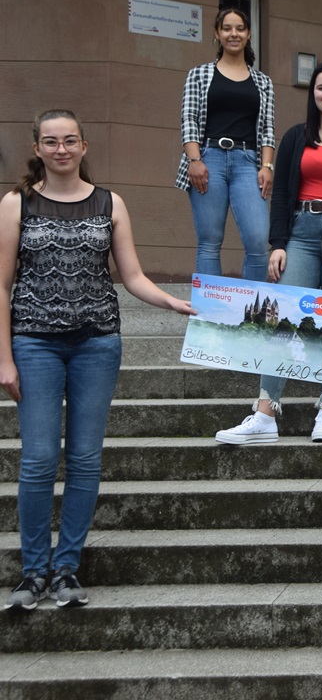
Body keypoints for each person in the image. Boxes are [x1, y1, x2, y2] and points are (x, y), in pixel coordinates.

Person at [1, 110, 194, 611]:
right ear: (38, 148)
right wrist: (4, 358)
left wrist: (172, 302)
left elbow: (131, 276)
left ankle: (66, 569)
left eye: (69, 141)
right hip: (34, 344)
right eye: (50, 141)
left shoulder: (110, 203)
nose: (60, 149)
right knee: (40, 460)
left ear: (84, 146)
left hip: (97, 344)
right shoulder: (16, 202)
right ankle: (32, 573)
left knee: (85, 460)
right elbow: (2, 286)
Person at [215, 63, 322, 446]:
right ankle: (265, 413)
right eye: (321, 87)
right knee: (282, 319)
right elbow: (283, 195)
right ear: (314, 93)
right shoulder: (295, 137)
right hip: (302, 233)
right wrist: (278, 243)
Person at [176, 7, 276, 282]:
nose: (234, 34)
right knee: (210, 241)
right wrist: (195, 160)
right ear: (217, 34)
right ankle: (208, 320)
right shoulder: (199, 74)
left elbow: (268, 128)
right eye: (227, 28)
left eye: (240, 28)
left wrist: (267, 166)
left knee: (257, 241)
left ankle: (249, 320)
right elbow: (189, 118)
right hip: (209, 157)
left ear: (248, 34)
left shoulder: (263, 82)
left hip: (248, 161)